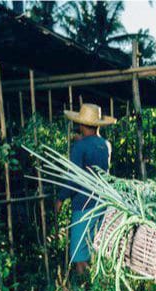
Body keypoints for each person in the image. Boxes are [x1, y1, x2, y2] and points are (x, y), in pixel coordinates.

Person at [55, 103, 116, 275]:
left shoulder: (80, 146)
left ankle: (83, 290)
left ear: (81, 124)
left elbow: (73, 178)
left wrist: (61, 198)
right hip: (103, 202)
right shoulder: (106, 145)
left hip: (83, 204)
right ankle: (97, 287)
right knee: (95, 247)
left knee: (79, 253)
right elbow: (94, 154)